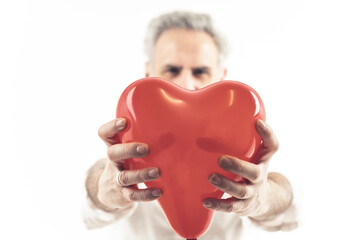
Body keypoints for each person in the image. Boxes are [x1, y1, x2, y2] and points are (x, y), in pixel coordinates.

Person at [83, 11, 297, 239]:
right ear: (148, 74)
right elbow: (87, 209)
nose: (187, 83)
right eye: (172, 70)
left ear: (221, 76)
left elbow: (293, 204)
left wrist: (264, 198)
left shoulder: (249, 143)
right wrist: (104, 191)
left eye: (200, 71)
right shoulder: (125, 138)